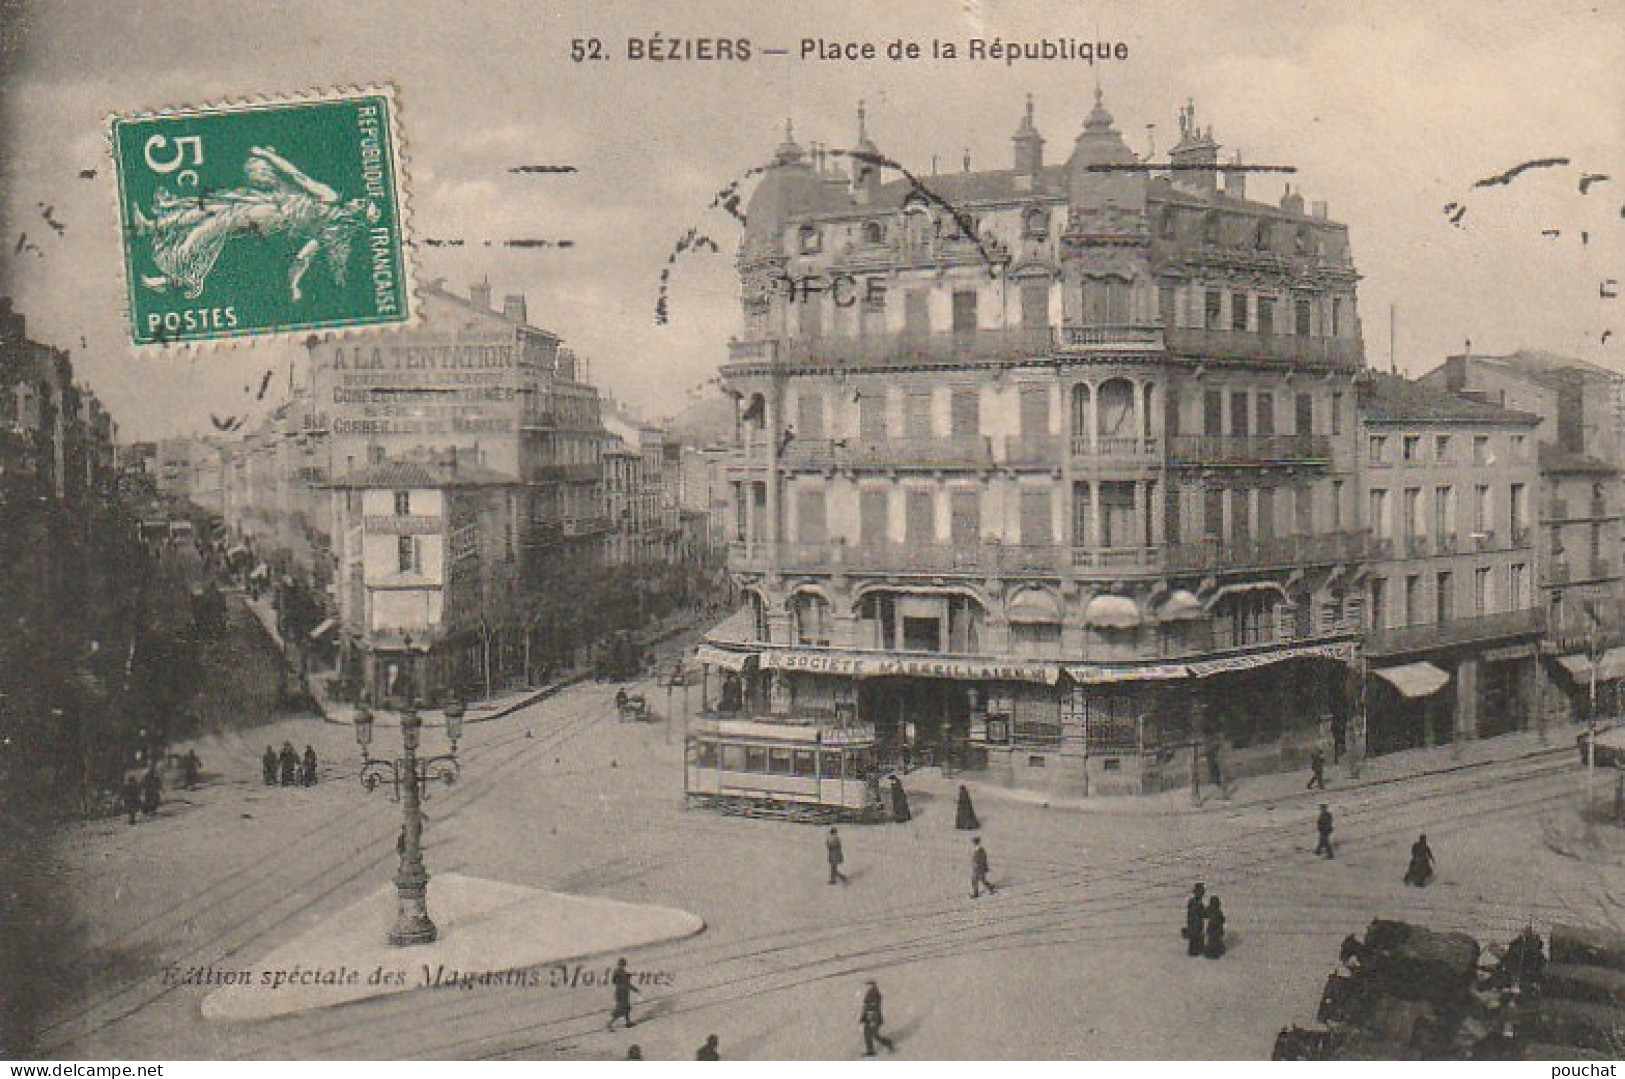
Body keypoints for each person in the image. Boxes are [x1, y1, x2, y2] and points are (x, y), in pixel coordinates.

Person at [860, 979, 896, 1056]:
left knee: (873, 1034)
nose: (867, 986)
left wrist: (870, 1015)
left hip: (874, 1018)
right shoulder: (869, 993)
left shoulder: (875, 993)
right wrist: (863, 1016)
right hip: (868, 1018)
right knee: (867, 1034)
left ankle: (888, 1043)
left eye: (869, 984)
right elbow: (866, 1007)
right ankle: (870, 1050)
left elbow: (874, 1006)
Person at [607, 957, 639, 1029]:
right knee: (621, 1009)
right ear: (623, 964)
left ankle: (628, 1022)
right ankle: (609, 1023)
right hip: (623, 993)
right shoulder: (622, 972)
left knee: (626, 1008)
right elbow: (627, 983)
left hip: (619, 991)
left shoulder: (617, 971)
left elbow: (614, 980)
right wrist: (635, 989)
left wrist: (628, 976)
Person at [1184, 883, 1207, 957]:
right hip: (1195, 924)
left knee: (1195, 938)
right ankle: (1195, 951)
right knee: (1195, 938)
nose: (1202, 894)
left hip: (1196, 924)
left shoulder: (1195, 902)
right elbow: (1196, 914)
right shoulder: (1196, 903)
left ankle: (1196, 950)